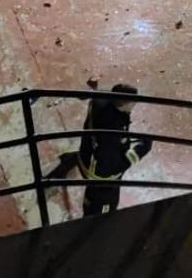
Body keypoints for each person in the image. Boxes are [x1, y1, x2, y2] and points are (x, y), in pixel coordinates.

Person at [42, 82, 152, 217]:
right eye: (132, 104)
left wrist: (93, 86)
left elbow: (87, 94)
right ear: (122, 104)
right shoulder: (111, 135)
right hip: (97, 173)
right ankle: (94, 215)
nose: (134, 106)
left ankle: (62, 166)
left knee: (83, 156)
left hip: (85, 152)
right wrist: (143, 149)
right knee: (105, 201)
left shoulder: (101, 99)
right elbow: (113, 167)